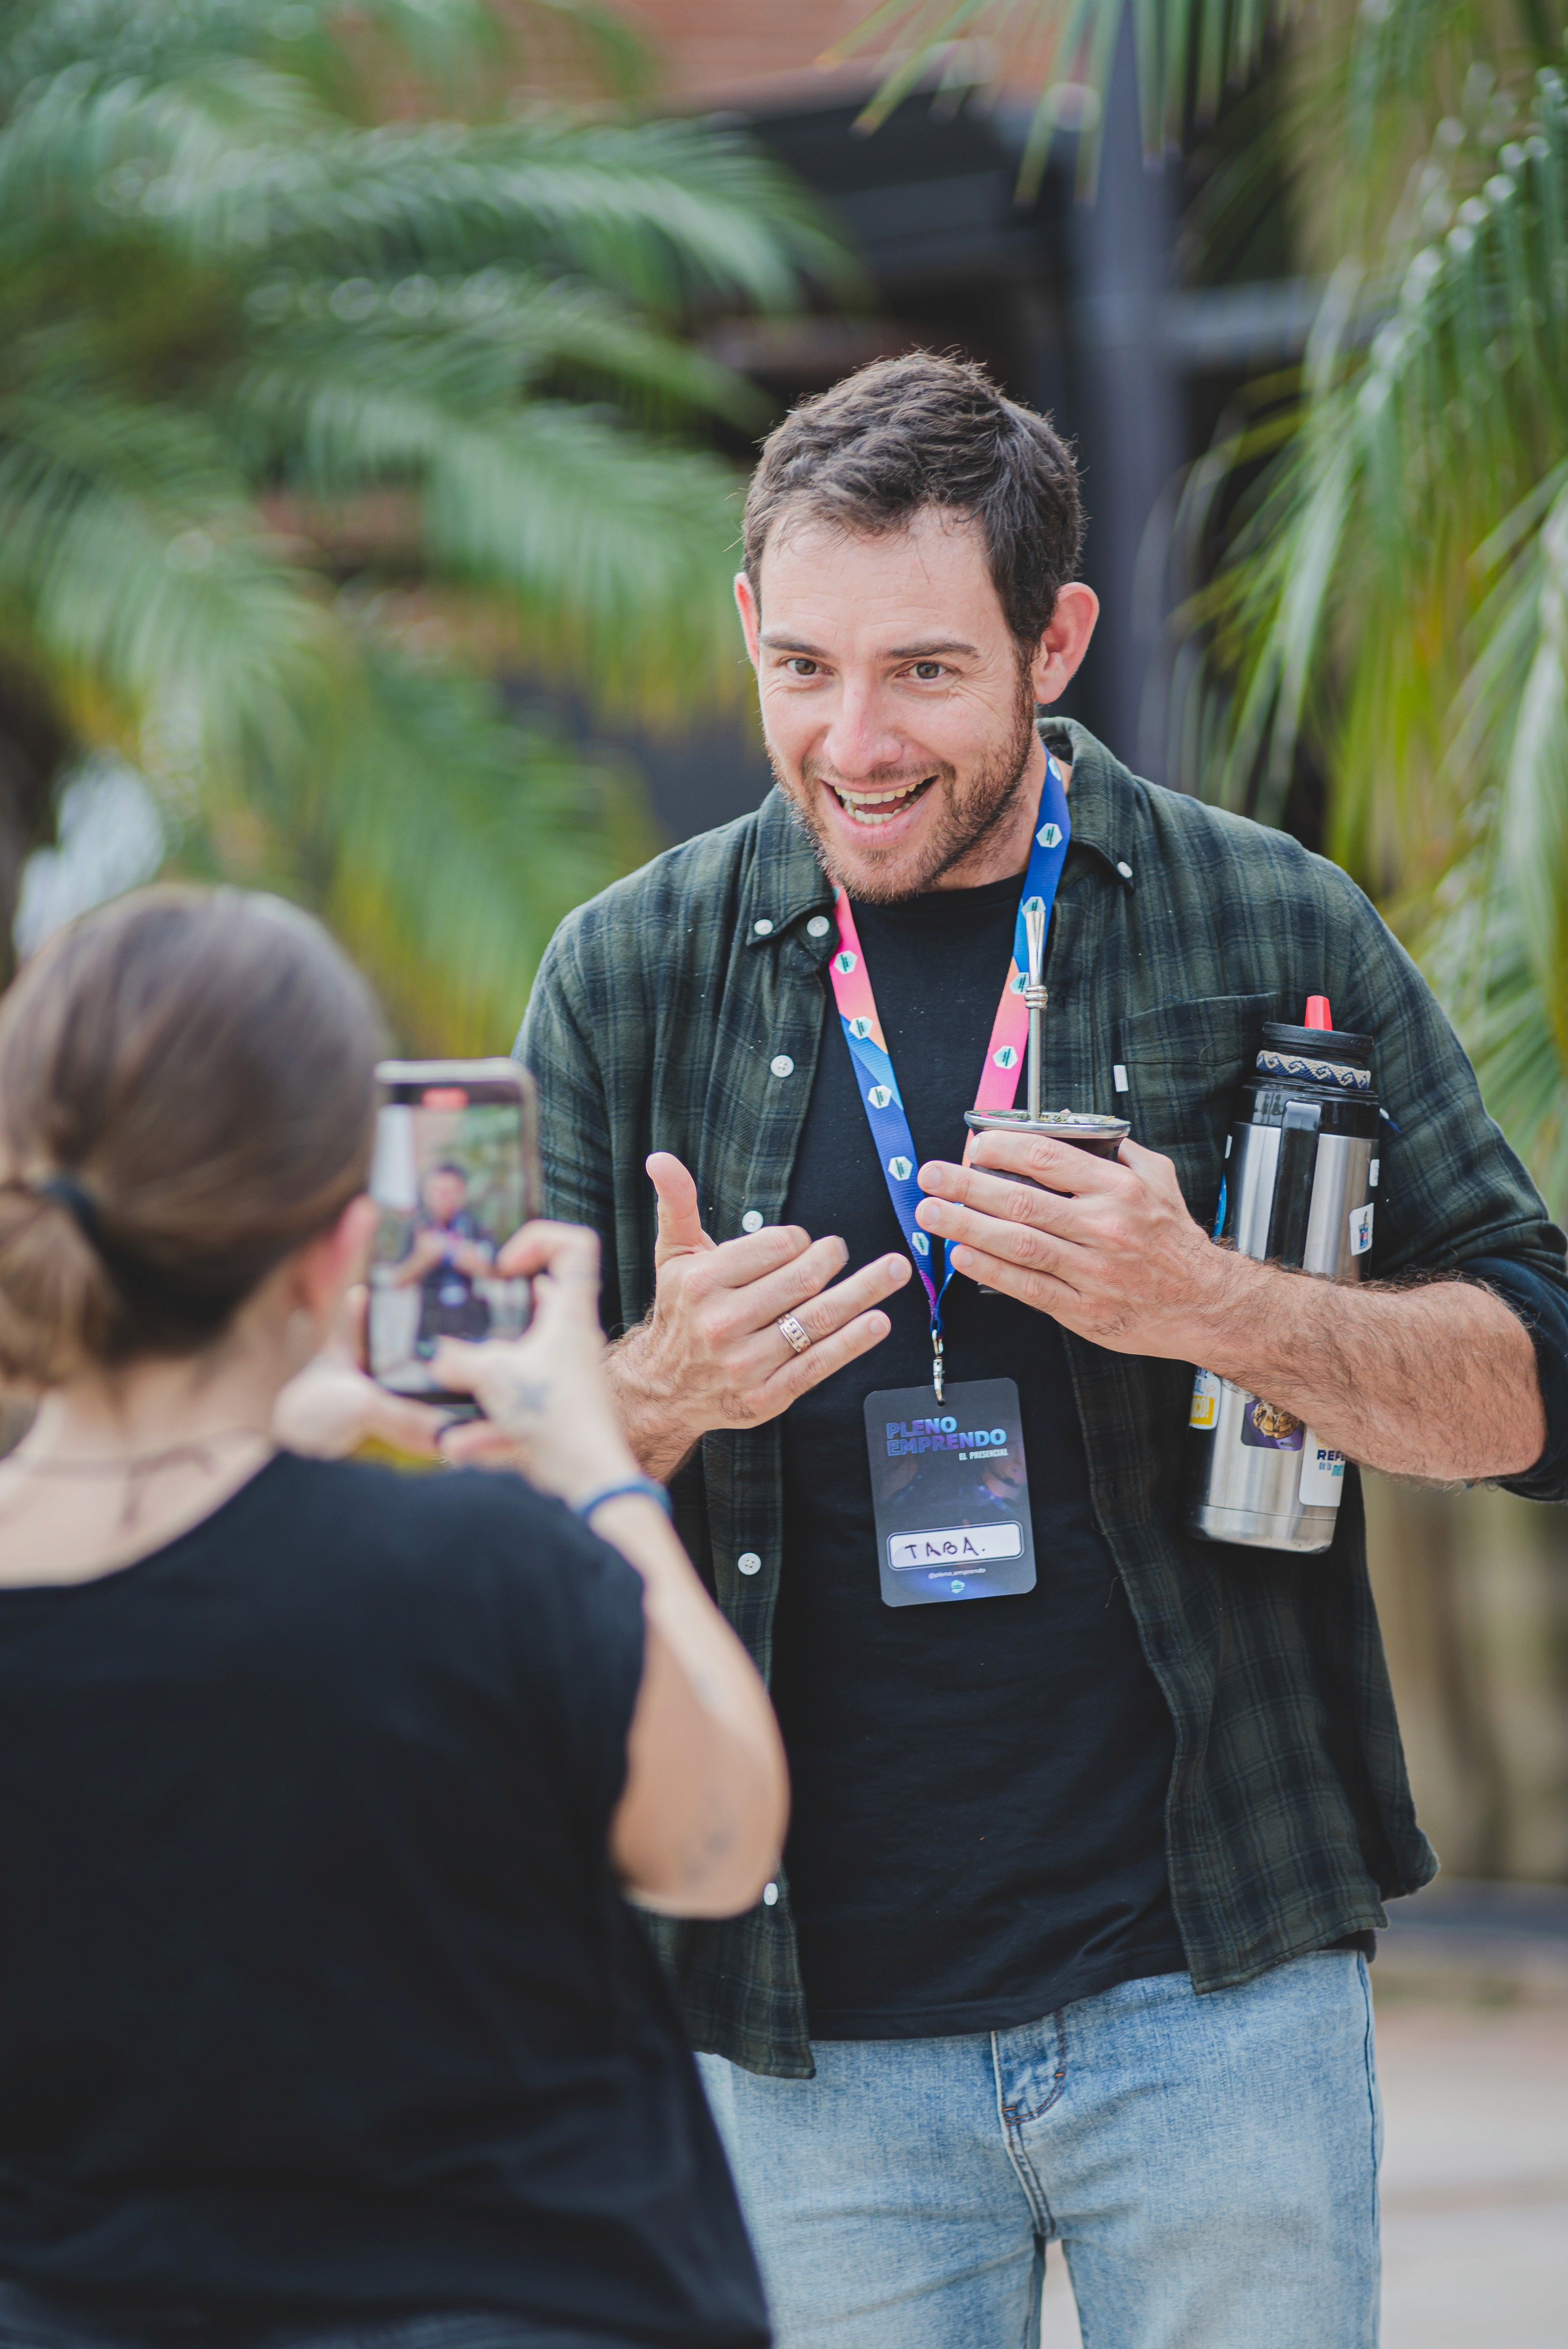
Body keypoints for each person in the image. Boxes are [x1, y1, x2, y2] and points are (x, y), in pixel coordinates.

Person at [517, 353, 1568, 2349]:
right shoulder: (625, 976)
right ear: (743, 625)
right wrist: (653, 1392)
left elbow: (1538, 1377)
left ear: (1052, 640)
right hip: (798, 2037)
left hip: (1216, 1990)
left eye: (922, 670)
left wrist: (1216, 1302)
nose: (850, 740)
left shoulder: (1268, 921)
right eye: (801, 666)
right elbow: (482, 1514)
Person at [0, 886, 784, 2349]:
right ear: (339, 1245)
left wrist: (285, 1418)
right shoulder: (478, 1571)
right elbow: (721, 1839)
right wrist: (599, 1475)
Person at [391, 1160, 496, 1350]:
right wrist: (423, 1258)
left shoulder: (476, 1226)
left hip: (474, 1328)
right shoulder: (417, 1228)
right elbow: (398, 1279)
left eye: (448, 1192)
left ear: (462, 1193)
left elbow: (496, 1271)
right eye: (436, 1191)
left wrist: (460, 1254)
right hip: (430, 1329)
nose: (441, 1198)